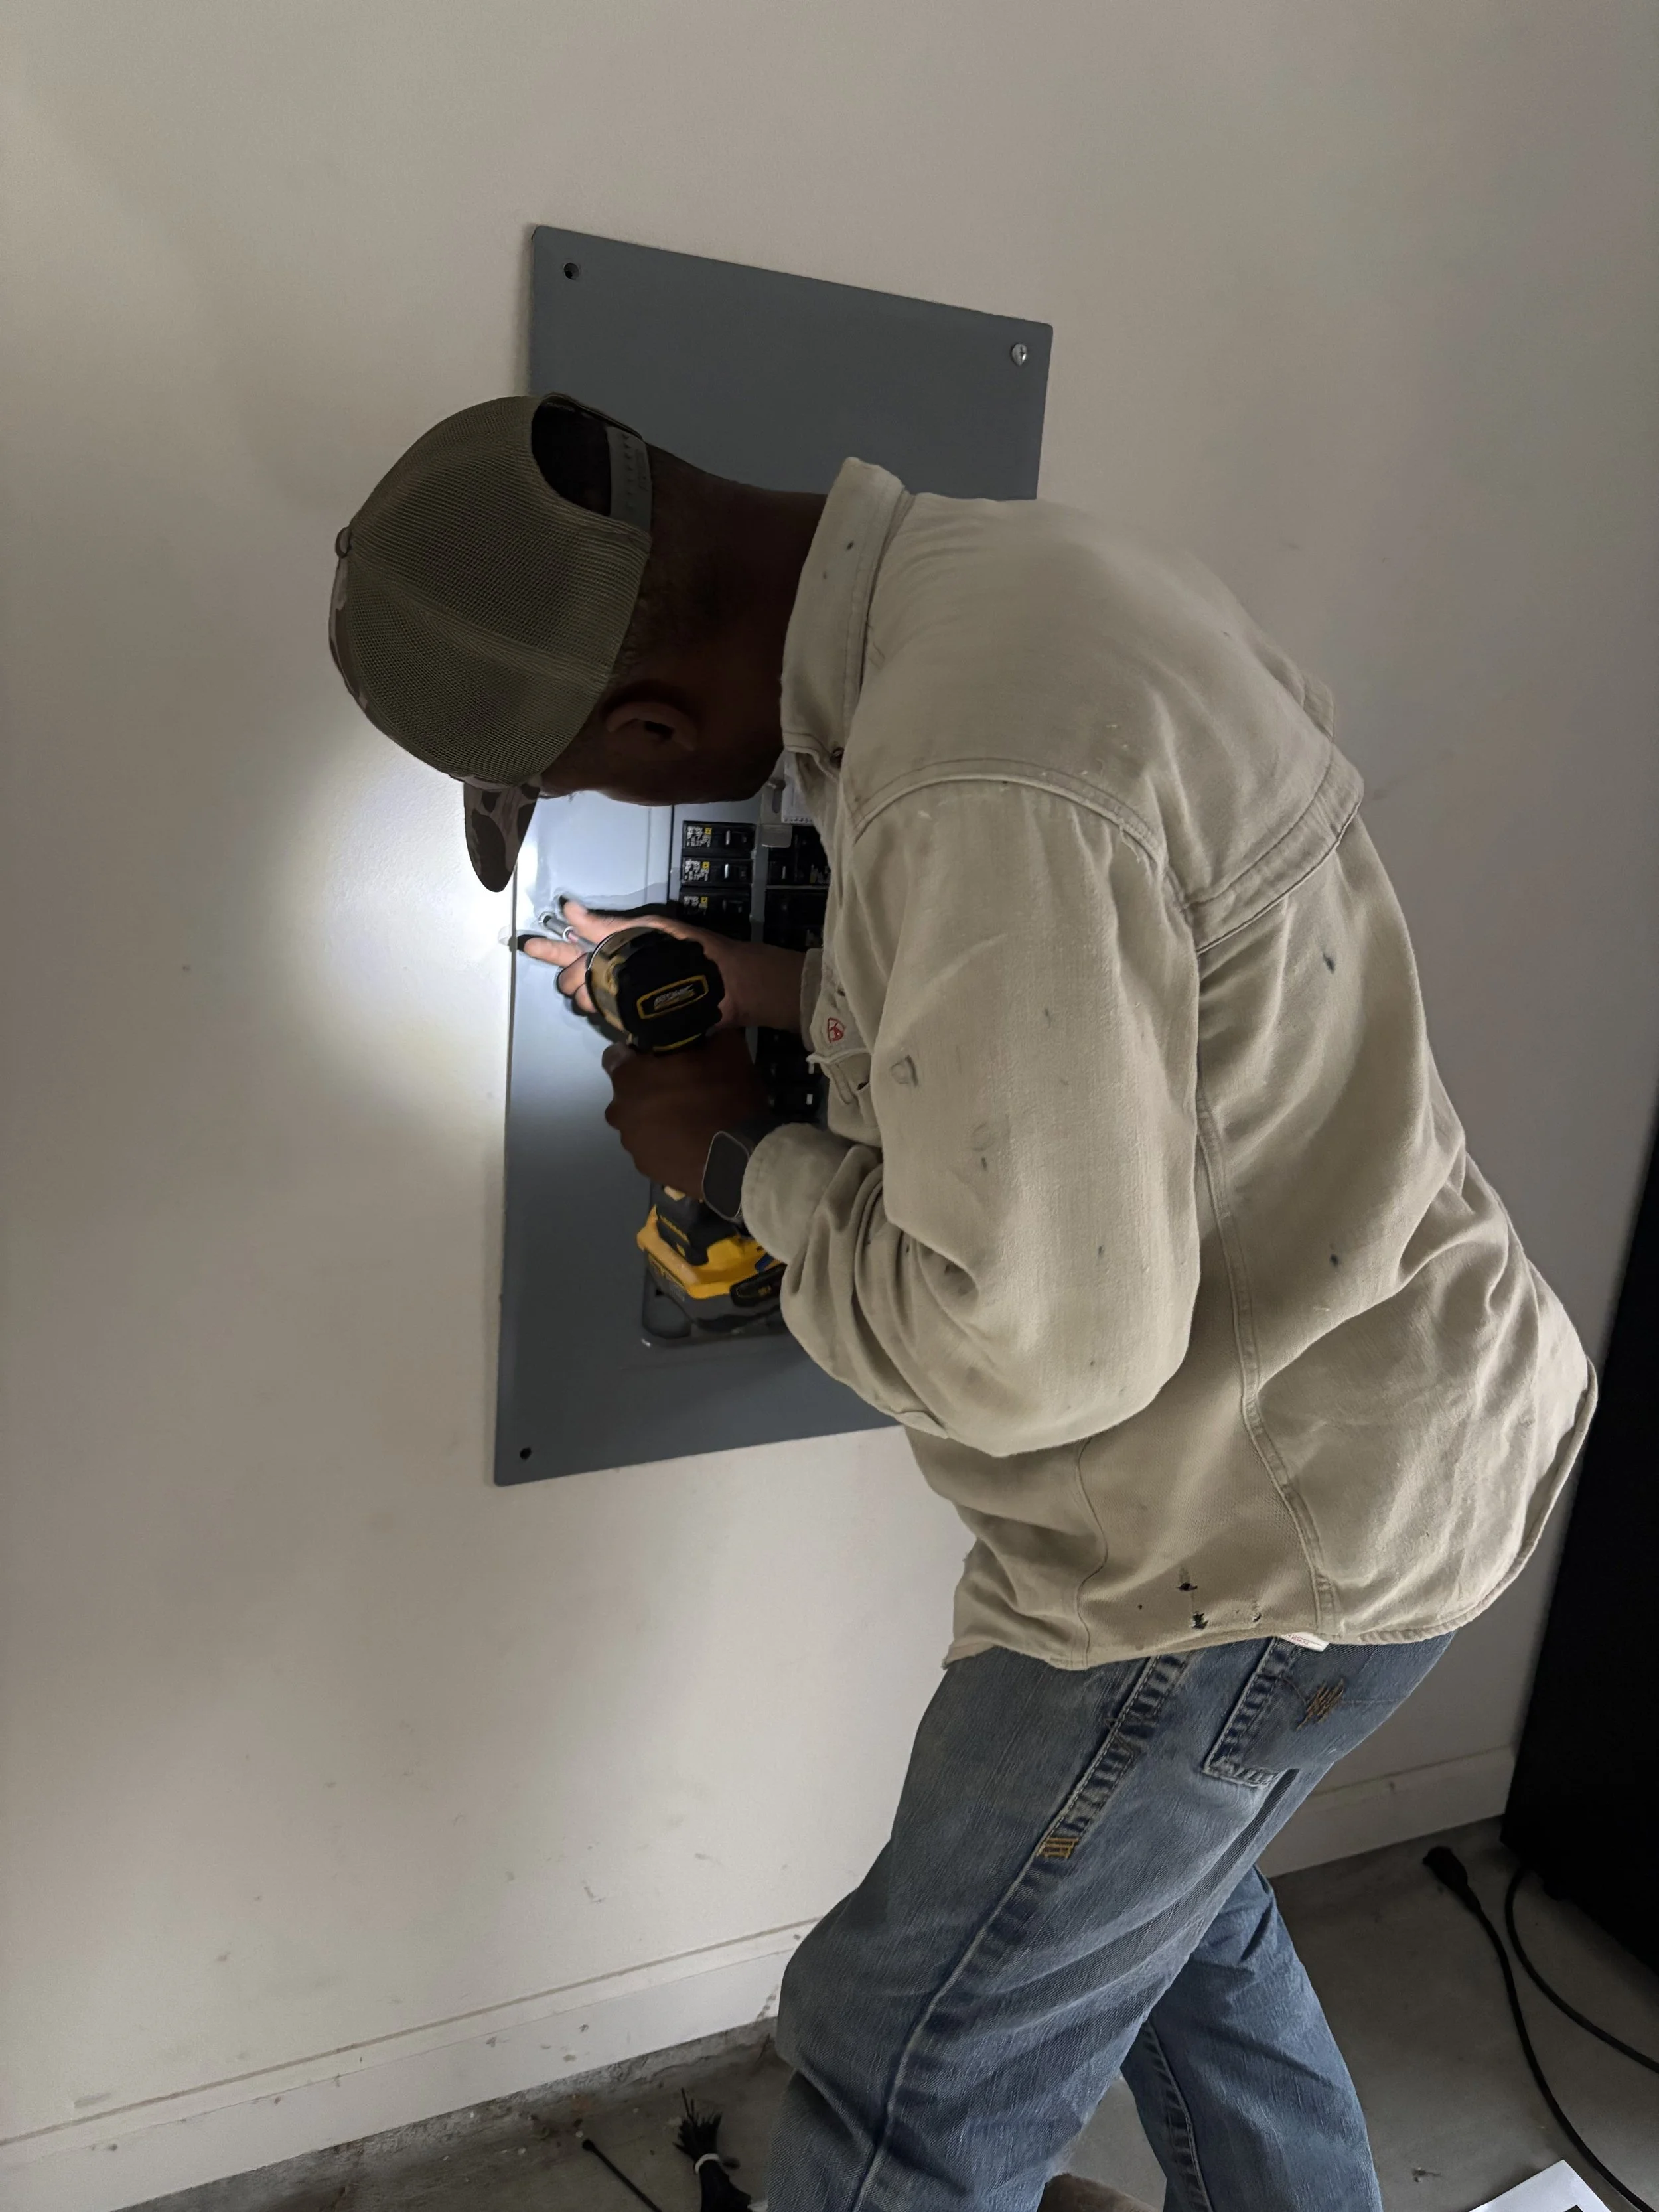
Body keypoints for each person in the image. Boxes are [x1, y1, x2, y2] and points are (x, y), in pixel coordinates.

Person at [329, 392, 1595, 2212]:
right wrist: (757, 985)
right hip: (1418, 1437)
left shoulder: (959, 777)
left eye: (596, 784)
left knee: (902, 2049)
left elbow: (1035, 1350)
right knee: (1157, 1925)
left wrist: (726, 1159)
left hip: (1229, 1561)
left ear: (653, 724)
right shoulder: (1029, 586)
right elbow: (1113, 973)